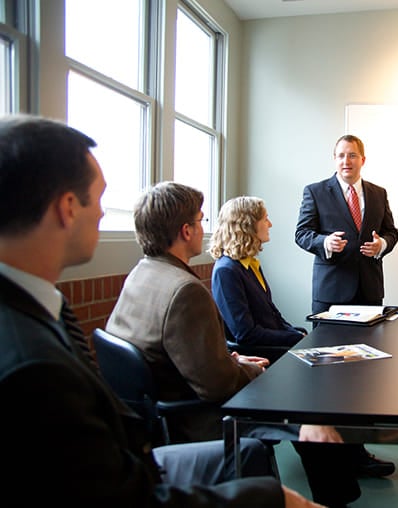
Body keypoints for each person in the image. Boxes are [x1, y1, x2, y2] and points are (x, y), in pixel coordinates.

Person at [0, 114, 318, 507]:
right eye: (97, 199)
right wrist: (269, 497)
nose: (102, 214)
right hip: (175, 430)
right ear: (67, 207)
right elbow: (215, 386)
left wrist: (228, 356)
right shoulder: (33, 365)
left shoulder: (137, 274)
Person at [107, 181, 361, 507]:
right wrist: (247, 368)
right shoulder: (185, 290)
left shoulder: (142, 274)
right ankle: (334, 499)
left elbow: (190, 356)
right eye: (200, 220)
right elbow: (219, 386)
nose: (205, 228)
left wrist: (233, 361)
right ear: (186, 231)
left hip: (167, 407)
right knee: (311, 419)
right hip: (201, 416)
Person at [295, 133, 398, 478]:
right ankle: (327, 452)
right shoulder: (315, 191)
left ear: (362, 159)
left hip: (369, 294)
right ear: (334, 159)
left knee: (363, 377)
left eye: (352, 155)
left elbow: (392, 233)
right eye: (340, 155)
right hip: (331, 295)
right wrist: (325, 242)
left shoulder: (378, 193)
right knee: (329, 375)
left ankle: (357, 452)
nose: (346, 161)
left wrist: (382, 244)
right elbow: (302, 233)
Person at [209, 196, 307, 359]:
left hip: (272, 346)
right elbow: (245, 334)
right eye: (265, 219)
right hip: (259, 355)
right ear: (248, 225)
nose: (270, 224)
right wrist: (295, 338)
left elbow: (273, 315)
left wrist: (296, 334)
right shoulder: (226, 271)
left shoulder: (250, 264)